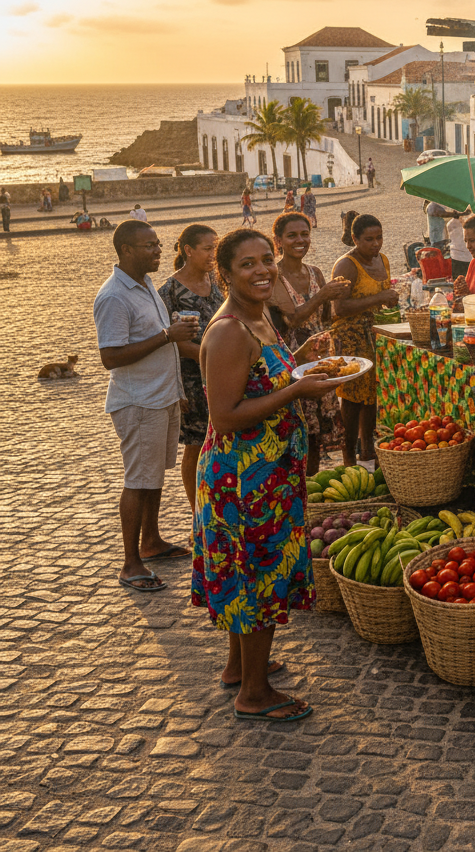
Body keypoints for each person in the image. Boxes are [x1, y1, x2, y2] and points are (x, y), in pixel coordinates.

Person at [194, 228, 340, 721]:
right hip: (243, 479)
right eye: (247, 265)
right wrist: (296, 394)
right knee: (258, 577)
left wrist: (301, 364)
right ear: (225, 274)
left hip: (269, 474)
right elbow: (226, 415)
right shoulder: (230, 330)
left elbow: (265, 377)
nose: (262, 271)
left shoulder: (260, 319)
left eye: (266, 261)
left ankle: (240, 666)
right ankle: (254, 695)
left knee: (249, 571)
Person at [94, 220, 200, 593]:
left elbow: (159, 339)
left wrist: (178, 389)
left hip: (162, 395)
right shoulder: (113, 297)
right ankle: (130, 563)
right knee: (138, 480)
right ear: (125, 249)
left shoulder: (145, 284)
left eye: (157, 244)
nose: (158, 251)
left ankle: (151, 542)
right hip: (138, 401)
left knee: (154, 475)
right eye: (148, 246)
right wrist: (167, 335)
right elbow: (111, 356)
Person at [268, 212, 351, 474]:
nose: (300, 240)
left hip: (320, 356)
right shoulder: (275, 275)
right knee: (298, 427)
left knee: (316, 432)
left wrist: (336, 295)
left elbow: (325, 317)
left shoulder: (314, 272)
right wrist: (323, 295)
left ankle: (311, 489)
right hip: (294, 358)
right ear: (278, 240)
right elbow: (292, 318)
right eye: (292, 235)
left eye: (304, 234)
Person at [158, 224, 223, 515]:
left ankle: (221, 505)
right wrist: (210, 357)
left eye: (216, 248)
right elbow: (170, 340)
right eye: (208, 248)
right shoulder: (170, 291)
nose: (213, 254)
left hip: (222, 374)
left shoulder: (216, 282)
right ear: (188, 251)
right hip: (193, 380)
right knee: (197, 445)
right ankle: (198, 515)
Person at [330, 214, 399, 465]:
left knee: (372, 394)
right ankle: (348, 453)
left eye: (379, 238)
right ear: (355, 239)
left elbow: (382, 296)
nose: (376, 244)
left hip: (375, 334)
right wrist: (379, 299)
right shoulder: (346, 265)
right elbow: (340, 308)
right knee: (352, 397)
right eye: (369, 239)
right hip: (350, 337)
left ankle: (368, 448)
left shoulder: (383, 260)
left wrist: (390, 300)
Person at [447, 207, 472, 279]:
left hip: (457, 256)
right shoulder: (466, 224)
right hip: (464, 256)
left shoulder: (450, 224)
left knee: (458, 280)